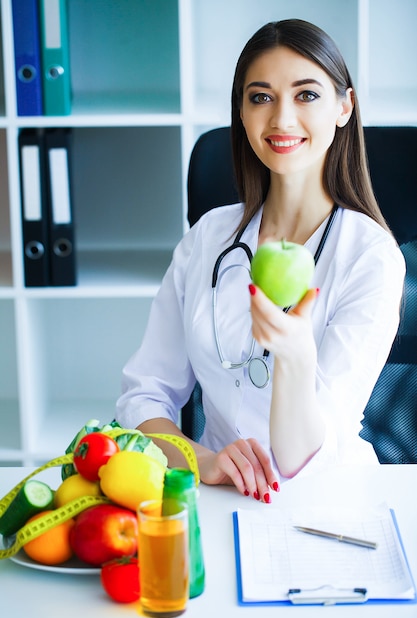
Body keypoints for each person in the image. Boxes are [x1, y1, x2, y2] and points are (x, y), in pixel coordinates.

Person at [116, 19, 405, 502]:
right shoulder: (208, 238)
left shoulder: (372, 258)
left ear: (343, 107)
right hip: (214, 496)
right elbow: (144, 394)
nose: (282, 120)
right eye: (261, 97)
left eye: (306, 95)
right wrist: (198, 458)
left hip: (327, 501)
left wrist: (294, 356)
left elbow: (299, 459)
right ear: (243, 114)